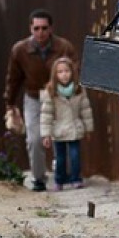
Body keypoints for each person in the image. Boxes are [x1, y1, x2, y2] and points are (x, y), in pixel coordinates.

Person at [3, 9, 77, 191]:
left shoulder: (64, 47)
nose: (40, 32)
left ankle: (66, 175)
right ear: (30, 28)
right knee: (35, 139)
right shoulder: (20, 50)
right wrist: (10, 103)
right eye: (36, 28)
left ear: (51, 28)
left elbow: (75, 71)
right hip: (34, 98)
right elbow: (13, 78)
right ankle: (39, 178)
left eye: (44, 28)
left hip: (59, 97)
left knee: (65, 135)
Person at [40, 57, 93, 191]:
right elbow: (46, 114)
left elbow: (85, 110)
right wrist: (46, 134)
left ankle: (76, 178)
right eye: (60, 72)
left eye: (67, 71)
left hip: (75, 129)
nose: (64, 74)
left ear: (72, 72)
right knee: (60, 158)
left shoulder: (78, 90)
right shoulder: (51, 91)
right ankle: (59, 180)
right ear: (55, 74)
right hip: (59, 130)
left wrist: (88, 129)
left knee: (75, 156)